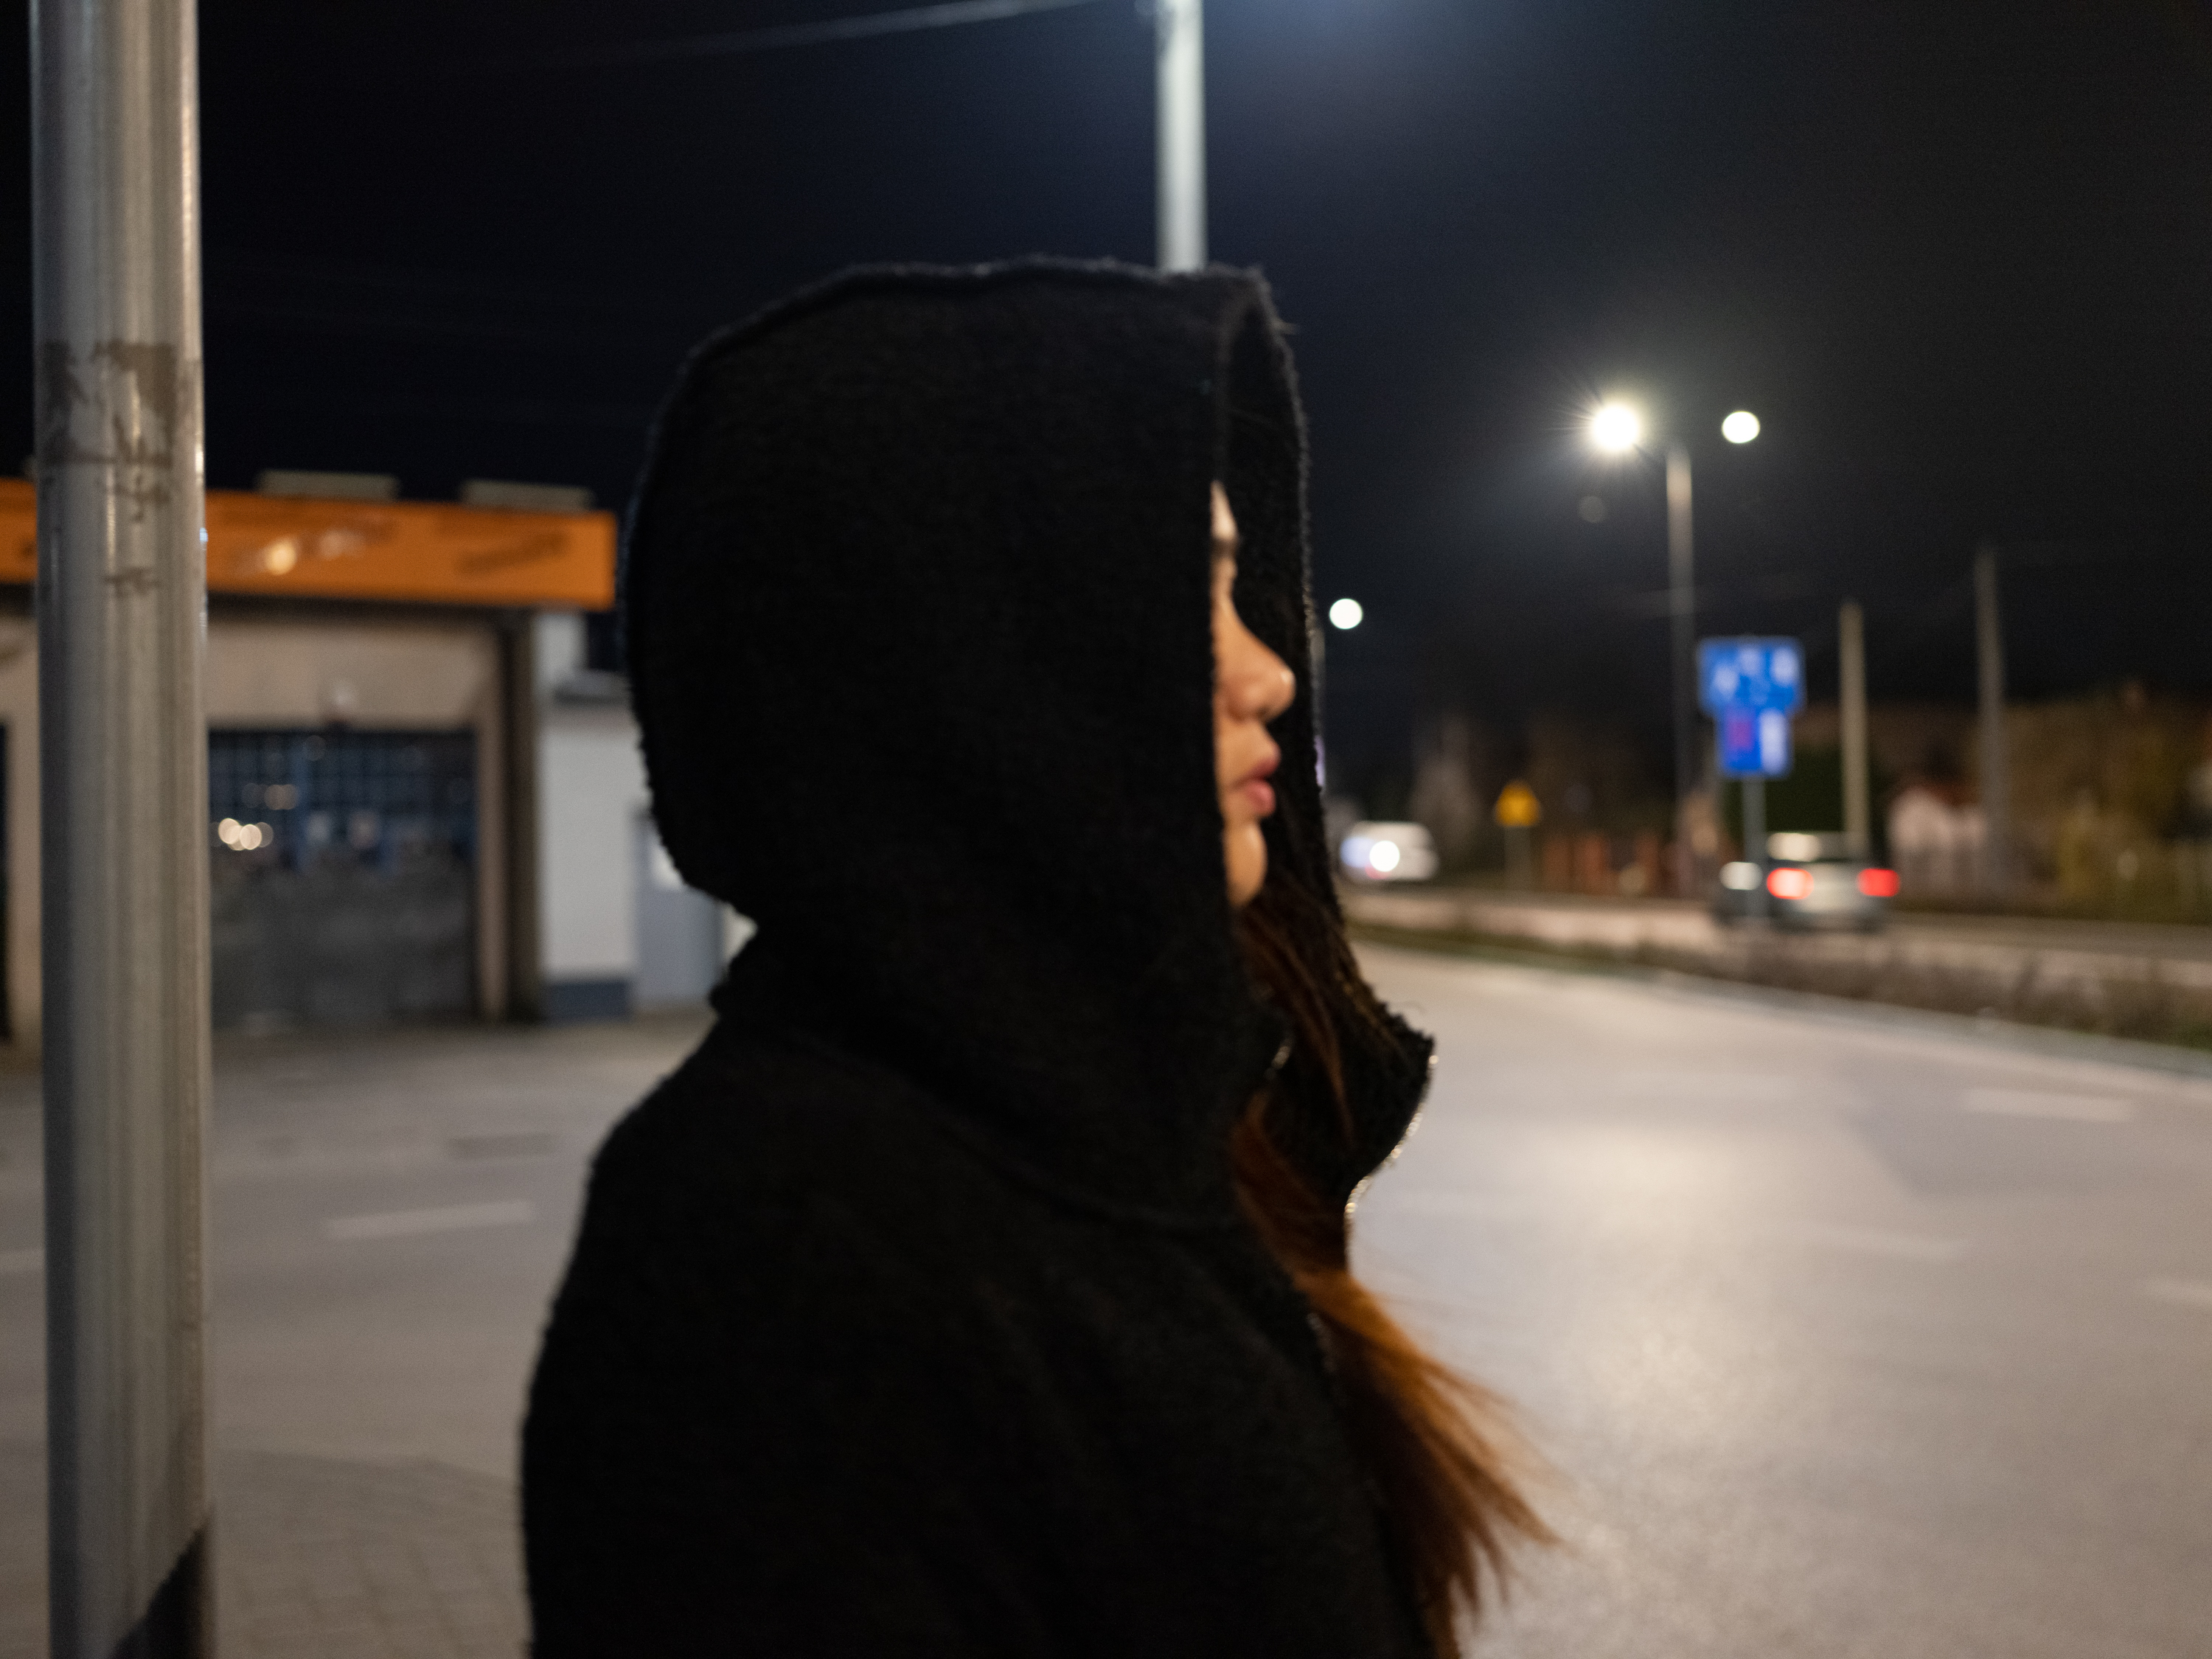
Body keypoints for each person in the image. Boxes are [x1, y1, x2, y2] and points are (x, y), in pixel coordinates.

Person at [522, 259, 1549, 1657]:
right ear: (970, 657)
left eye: (1246, 589)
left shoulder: (1144, 1143)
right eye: (1192, 598)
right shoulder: (775, 1237)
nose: (1269, 673)